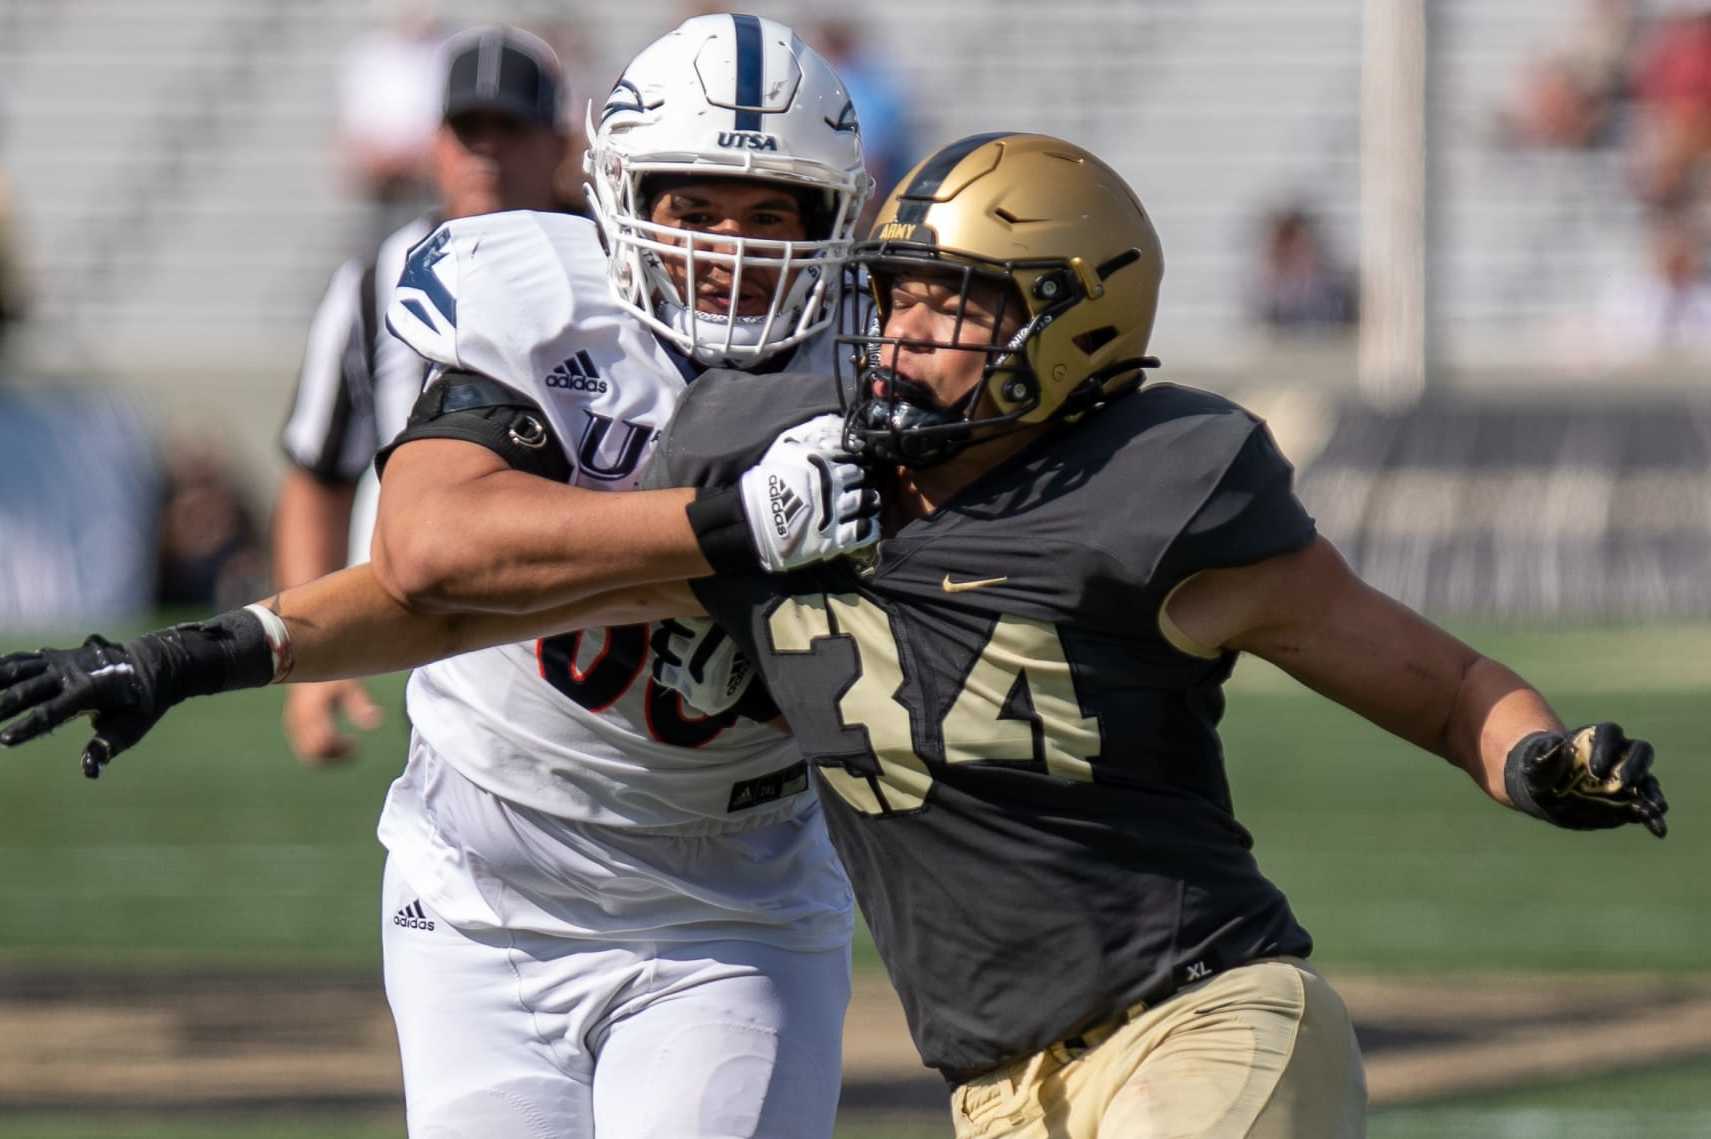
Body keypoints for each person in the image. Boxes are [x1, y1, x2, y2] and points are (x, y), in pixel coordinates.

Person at [0, 133, 1670, 1137]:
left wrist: (1532, 751)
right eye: (903, 294)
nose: (907, 332)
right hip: (997, 1076)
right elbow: (454, 591)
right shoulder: (794, 476)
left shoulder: (1169, 482)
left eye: (959, 306)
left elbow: (1426, 669)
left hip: (1202, 1010)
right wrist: (201, 651)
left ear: (1072, 326)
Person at [10, 15, 876, 1139]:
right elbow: (431, 555)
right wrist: (734, 522)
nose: (734, 246)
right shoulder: (544, 298)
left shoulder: (880, 377)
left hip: (732, 908)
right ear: (621, 198)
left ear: (834, 218)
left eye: (771, 213)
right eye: (696, 208)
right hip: (480, 887)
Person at [279, 24, 573, 764]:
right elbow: (318, 473)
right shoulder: (377, 281)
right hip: (430, 625)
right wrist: (305, 654)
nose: (485, 150)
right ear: (435, 144)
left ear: (557, 143)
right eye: (466, 128)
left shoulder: (614, 267)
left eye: (509, 127)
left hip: (582, 617)